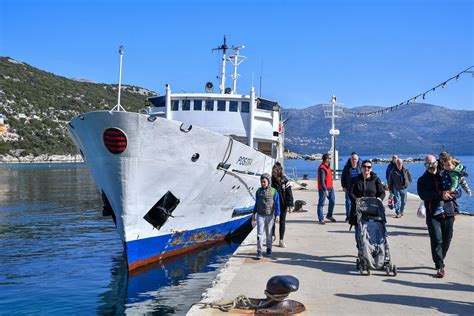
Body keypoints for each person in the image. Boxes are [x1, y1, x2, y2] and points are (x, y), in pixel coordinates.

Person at [417, 155, 456, 278]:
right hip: (432, 214)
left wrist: (451, 194)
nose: (430, 167)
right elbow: (424, 195)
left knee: (447, 239)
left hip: (448, 212)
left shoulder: (446, 174)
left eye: (432, 163)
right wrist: (440, 194)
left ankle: (440, 257)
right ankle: (439, 265)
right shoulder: (422, 180)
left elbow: (458, 190)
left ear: (437, 162)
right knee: (436, 239)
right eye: (427, 165)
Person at [349, 159, 386, 248]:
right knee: (359, 232)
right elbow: (351, 193)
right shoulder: (355, 180)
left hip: (372, 210)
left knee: (372, 231)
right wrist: (356, 200)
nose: (366, 169)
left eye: (369, 167)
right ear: (361, 168)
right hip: (358, 210)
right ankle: (360, 249)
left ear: (371, 169)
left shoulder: (375, 179)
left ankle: (371, 249)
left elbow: (382, 192)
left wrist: (379, 199)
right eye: (364, 167)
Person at [253, 173, 280, 259]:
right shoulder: (258, 191)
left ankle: (269, 249)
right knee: (260, 233)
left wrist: (278, 215)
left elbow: (277, 204)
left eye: (264, 182)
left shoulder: (274, 191)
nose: (262, 183)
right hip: (260, 215)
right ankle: (259, 251)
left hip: (270, 215)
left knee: (269, 234)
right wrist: (254, 213)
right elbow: (256, 203)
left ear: (268, 181)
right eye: (261, 182)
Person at [271, 163, 294, 248]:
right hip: (273, 204)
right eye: (273, 171)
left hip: (283, 204)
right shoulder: (271, 181)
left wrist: (290, 205)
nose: (274, 172)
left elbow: (289, 194)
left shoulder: (285, 180)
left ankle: (281, 240)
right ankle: (272, 236)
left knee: (282, 221)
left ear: (279, 171)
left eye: (275, 171)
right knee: (272, 220)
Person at [341, 153, 362, 222]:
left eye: (355, 159)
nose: (354, 160)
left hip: (358, 188)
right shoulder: (347, 167)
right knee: (348, 202)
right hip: (349, 187)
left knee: (358, 202)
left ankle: (357, 216)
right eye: (353, 159)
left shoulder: (360, 167)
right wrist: (343, 186)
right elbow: (343, 177)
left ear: (358, 160)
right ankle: (348, 216)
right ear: (350, 159)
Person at [317, 153, 335, 224]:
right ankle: (321, 218)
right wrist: (325, 190)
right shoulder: (322, 168)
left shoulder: (327, 166)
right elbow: (322, 180)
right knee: (321, 203)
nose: (330, 159)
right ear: (326, 159)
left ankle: (329, 215)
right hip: (323, 189)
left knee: (332, 201)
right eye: (329, 158)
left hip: (330, 188)